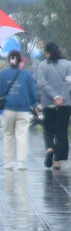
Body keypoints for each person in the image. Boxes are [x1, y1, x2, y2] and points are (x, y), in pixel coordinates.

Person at [0, 50, 38, 170]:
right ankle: (21, 162)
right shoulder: (27, 75)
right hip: (23, 109)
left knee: (8, 134)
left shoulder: (3, 74)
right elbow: (32, 92)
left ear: (9, 60)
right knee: (22, 135)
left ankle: (9, 162)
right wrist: (35, 104)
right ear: (20, 61)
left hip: (8, 109)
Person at [36, 43, 71, 171]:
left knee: (48, 128)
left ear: (47, 53)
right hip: (65, 103)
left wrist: (54, 97)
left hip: (48, 103)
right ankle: (57, 160)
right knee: (62, 130)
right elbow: (69, 81)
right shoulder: (68, 64)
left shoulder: (42, 65)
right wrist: (61, 96)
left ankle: (50, 147)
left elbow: (42, 82)